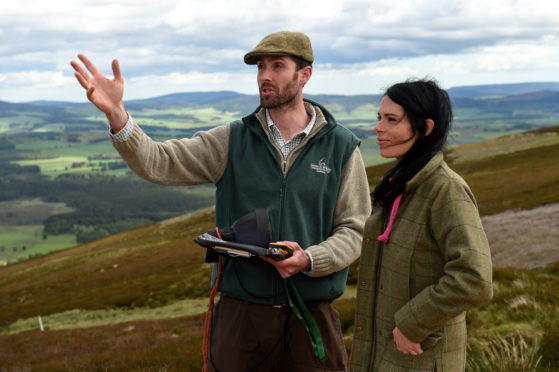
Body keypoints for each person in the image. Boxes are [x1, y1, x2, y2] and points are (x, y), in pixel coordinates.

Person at [71, 31, 371, 372]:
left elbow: (356, 229)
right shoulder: (233, 139)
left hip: (312, 314)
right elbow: (157, 161)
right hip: (240, 316)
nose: (265, 76)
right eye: (260, 67)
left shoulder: (342, 146)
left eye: (277, 66)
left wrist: (309, 259)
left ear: (305, 75)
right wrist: (117, 114)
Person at [349, 79, 493, 372]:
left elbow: (474, 280)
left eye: (392, 120)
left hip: (420, 360)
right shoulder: (399, 185)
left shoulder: (446, 189)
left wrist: (412, 324)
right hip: (383, 358)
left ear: (426, 128)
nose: (378, 127)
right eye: (379, 118)